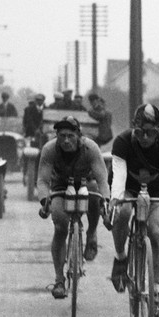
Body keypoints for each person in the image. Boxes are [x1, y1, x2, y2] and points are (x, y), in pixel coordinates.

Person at [106, 104, 159, 317]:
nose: (145, 137)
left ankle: (155, 291)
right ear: (133, 128)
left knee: (155, 233)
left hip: (157, 193)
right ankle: (120, 257)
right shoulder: (122, 142)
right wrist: (116, 200)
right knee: (123, 212)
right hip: (129, 189)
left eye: (151, 132)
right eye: (140, 132)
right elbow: (118, 177)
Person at [37, 116, 111, 299]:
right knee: (60, 226)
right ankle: (59, 279)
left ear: (79, 135)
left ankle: (92, 233)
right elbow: (43, 180)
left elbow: (102, 179)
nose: (66, 141)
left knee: (95, 196)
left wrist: (106, 201)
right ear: (57, 136)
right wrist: (44, 200)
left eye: (70, 136)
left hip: (87, 183)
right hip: (60, 187)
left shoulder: (90, 148)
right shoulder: (49, 149)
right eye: (62, 136)